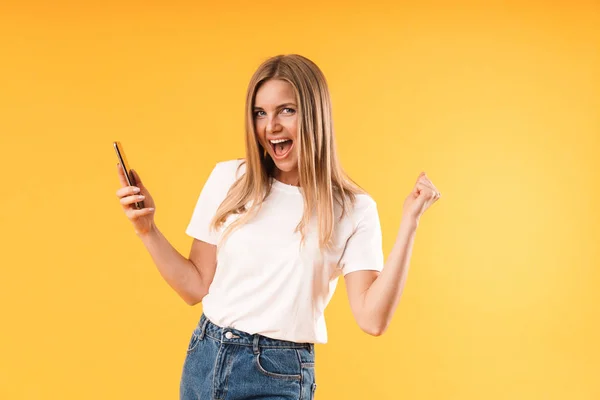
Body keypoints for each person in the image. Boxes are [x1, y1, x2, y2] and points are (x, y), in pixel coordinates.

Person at [115, 54, 441, 400]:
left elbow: (372, 319)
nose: (271, 126)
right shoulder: (230, 179)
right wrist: (147, 229)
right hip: (206, 356)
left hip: (278, 373)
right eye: (260, 113)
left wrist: (410, 223)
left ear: (315, 115)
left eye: (286, 110)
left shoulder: (352, 209)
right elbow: (194, 286)